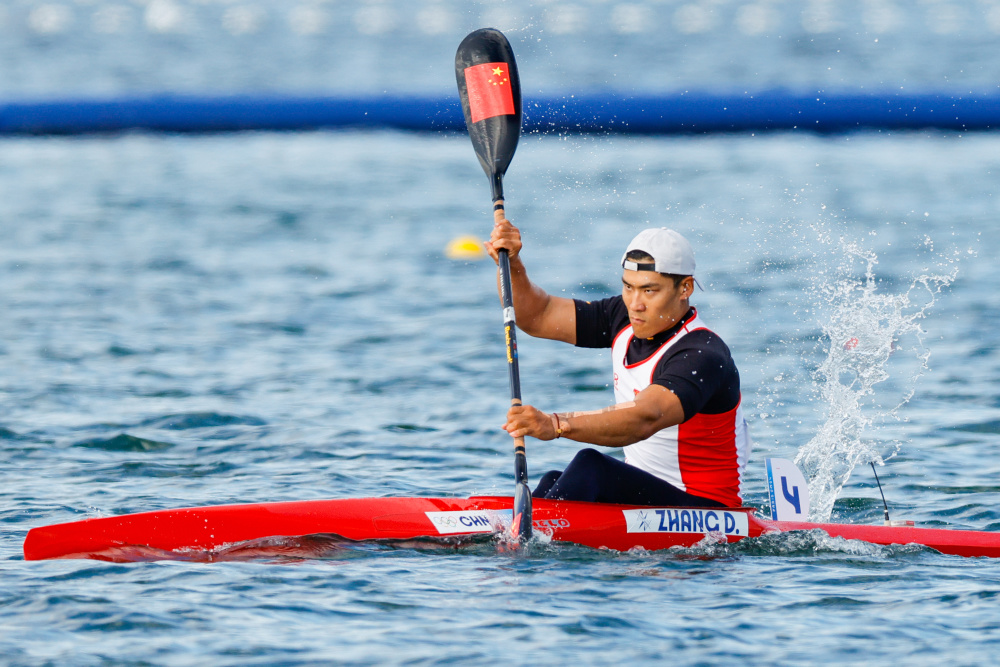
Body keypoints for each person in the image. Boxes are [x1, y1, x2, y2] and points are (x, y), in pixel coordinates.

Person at [486, 220, 750, 508]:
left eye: (649, 291)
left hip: (708, 512)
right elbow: (537, 314)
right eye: (628, 287)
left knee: (591, 466)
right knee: (552, 479)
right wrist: (512, 264)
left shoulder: (703, 354)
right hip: (647, 498)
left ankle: (528, 538)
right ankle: (519, 533)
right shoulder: (621, 316)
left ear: (685, 288)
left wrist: (556, 424)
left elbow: (645, 416)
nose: (635, 303)